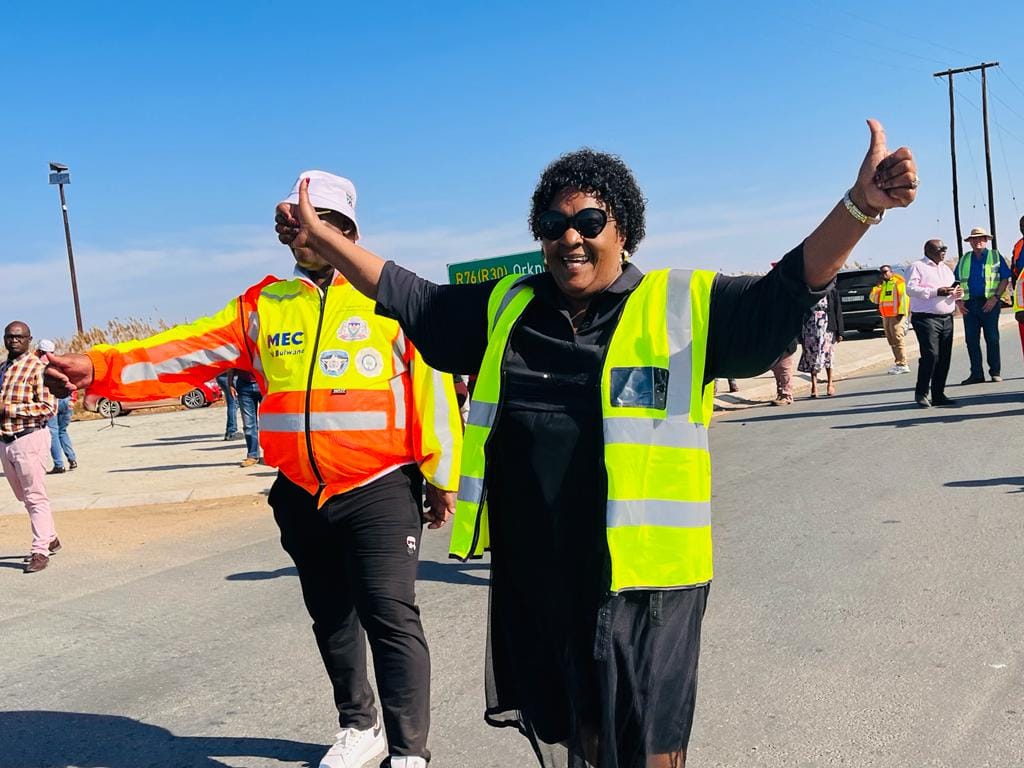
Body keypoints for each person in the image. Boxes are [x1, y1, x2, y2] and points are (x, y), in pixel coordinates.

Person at [274, 120, 918, 767]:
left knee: (650, 747)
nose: (570, 237)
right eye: (553, 225)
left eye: (588, 220)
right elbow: (406, 293)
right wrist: (327, 241)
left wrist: (860, 207)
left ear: (624, 231)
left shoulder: (682, 305)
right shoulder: (507, 309)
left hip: (648, 587)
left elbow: (786, 290)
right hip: (544, 578)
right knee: (577, 736)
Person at [43, 171, 463, 768]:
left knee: (390, 615)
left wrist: (443, 475)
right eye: (298, 223)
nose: (306, 234)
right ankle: (358, 725)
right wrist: (100, 367)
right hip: (301, 491)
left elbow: (433, 387)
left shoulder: (390, 297)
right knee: (331, 617)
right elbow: (185, 350)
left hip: (379, 486)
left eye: (321, 222)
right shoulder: (264, 305)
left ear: (348, 230)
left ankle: (408, 751)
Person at [1, 322, 59, 573]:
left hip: (29, 437)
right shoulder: (3, 368)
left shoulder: (39, 369)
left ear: (29, 339)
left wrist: (9, 409)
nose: (14, 341)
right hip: (6, 440)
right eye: (9, 337)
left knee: (35, 496)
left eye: (19, 337)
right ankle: (50, 537)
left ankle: (40, 551)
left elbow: (48, 408)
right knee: (23, 495)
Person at [906, 240, 962, 408]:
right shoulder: (917, 266)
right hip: (925, 318)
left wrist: (957, 293)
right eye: (940, 249)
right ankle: (921, 392)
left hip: (946, 317)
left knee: (944, 357)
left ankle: (938, 394)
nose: (943, 252)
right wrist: (935, 292)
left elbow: (952, 290)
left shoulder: (946, 269)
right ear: (928, 250)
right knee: (931, 355)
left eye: (945, 249)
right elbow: (910, 289)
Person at [954, 226, 1010, 384]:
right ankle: (976, 374)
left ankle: (995, 372)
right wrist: (958, 302)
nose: (977, 241)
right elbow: (956, 282)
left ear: (986, 240)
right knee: (971, 340)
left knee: (992, 338)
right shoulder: (964, 259)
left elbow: (1004, 279)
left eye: (981, 238)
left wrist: (995, 298)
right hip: (969, 305)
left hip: (989, 303)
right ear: (970, 242)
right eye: (974, 239)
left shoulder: (995, 256)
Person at [36, 339, 78, 474]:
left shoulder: (38, 365)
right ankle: (72, 459)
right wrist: (73, 399)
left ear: (39, 351)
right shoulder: (60, 363)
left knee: (53, 432)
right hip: (66, 400)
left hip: (51, 401)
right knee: (62, 431)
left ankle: (59, 465)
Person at [797, 285, 844, 397]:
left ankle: (830, 383)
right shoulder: (807, 291)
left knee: (828, 355)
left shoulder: (832, 291)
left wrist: (840, 332)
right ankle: (814, 386)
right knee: (811, 355)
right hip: (810, 327)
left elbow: (837, 310)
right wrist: (799, 335)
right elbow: (800, 312)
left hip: (827, 327)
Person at [869, 264, 910, 374]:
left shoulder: (898, 282)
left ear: (891, 272)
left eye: (885, 272)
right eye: (881, 272)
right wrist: (878, 287)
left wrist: (901, 312)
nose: (883, 274)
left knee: (898, 338)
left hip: (897, 315)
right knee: (891, 340)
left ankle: (903, 364)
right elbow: (874, 299)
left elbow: (904, 298)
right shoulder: (882, 285)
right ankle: (898, 363)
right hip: (886, 316)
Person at [228, 368, 262, 467]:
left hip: (264, 383)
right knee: (248, 424)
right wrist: (230, 383)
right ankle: (252, 455)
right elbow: (232, 363)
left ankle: (274, 454)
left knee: (270, 422)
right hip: (244, 386)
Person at [770, 338, 799, 405]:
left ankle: (787, 396)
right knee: (777, 370)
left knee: (785, 369)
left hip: (786, 345)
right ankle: (780, 393)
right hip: (775, 345)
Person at [1011, 216, 1024, 358]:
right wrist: (1018, 308)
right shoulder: (1018, 246)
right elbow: (1014, 278)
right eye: (1021, 225)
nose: (1023, 228)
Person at [216, 370, 242, 440]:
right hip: (228, 376)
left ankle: (231, 431)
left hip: (220, 376)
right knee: (233, 403)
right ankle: (231, 432)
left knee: (234, 403)